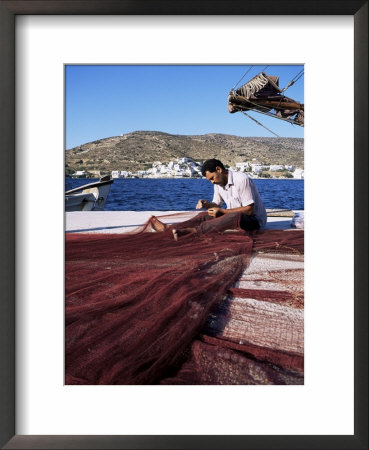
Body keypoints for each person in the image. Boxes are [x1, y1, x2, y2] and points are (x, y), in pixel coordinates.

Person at [150, 158, 267, 240]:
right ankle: (170, 228)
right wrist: (207, 204)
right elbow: (217, 205)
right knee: (206, 215)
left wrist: (222, 212)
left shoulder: (241, 179)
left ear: (219, 169)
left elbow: (249, 210)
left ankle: (192, 232)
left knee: (233, 215)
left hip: (254, 221)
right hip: (234, 216)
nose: (212, 182)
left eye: (212, 178)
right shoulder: (218, 184)